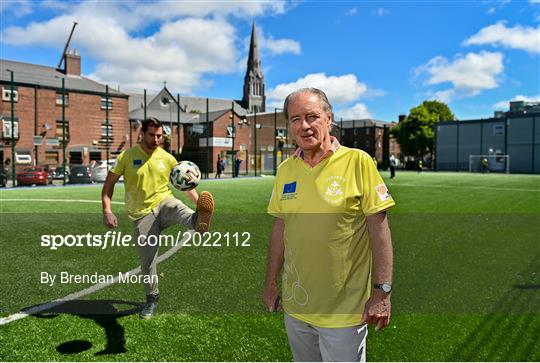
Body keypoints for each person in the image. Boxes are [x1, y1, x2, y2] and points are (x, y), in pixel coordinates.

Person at [263, 88, 395, 362]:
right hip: (297, 306)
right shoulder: (286, 170)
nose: (305, 126)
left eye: (312, 117)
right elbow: (280, 228)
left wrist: (382, 292)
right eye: (296, 119)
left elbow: (379, 230)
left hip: (344, 311)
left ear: (329, 118)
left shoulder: (357, 161)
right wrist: (270, 283)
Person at [101, 117, 215, 319]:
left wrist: (200, 204)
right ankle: (152, 299)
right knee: (147, 263)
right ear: (142, 134)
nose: (156, 139)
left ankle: (198, 220)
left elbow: (185, 184)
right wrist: (107, 210)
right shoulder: (126, 157)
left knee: (176, 206)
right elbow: (108, 184)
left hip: (163, 203)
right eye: (152, 135)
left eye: (159, 135)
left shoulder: (168, 158)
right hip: (141, 215)